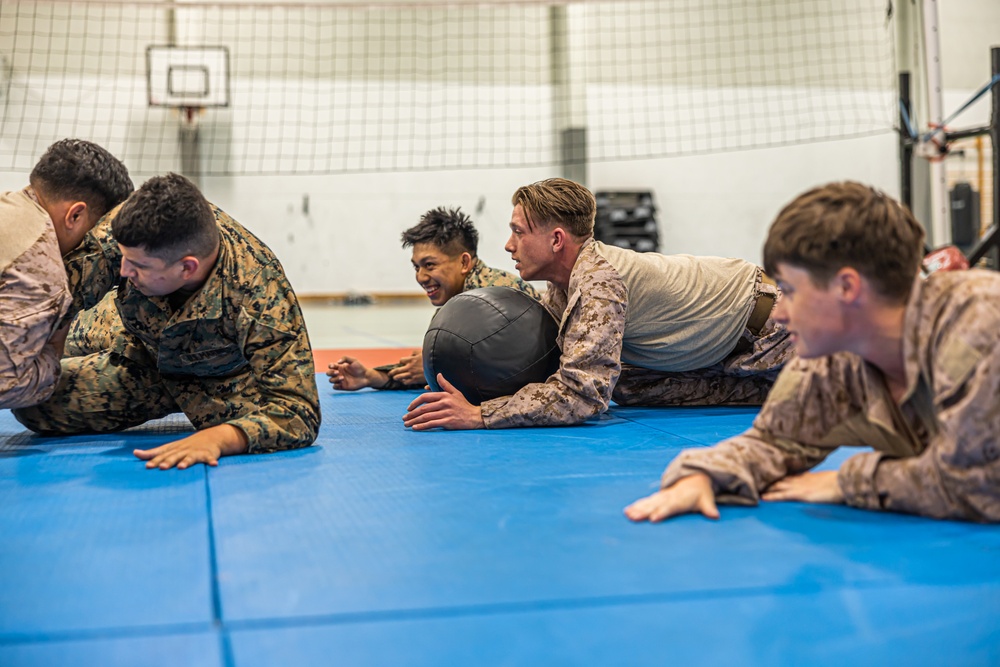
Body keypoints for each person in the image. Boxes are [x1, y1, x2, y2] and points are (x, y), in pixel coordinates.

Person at [625, 181, 1000, 524]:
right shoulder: (837, 355)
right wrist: (703, 475)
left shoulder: (980, 326)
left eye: (789, 289)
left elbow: (981, 484)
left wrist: (848, 482)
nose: (782, 312)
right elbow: (774, 441)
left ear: (846, 287)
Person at [403, 177, 793, 430]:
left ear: (556, 240)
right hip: (726, 341)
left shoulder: (598, 282)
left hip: (779, 332)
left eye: (518, 232)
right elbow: (541, 358)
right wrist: (394, 376)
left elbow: (582, 395)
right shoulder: (563, 281)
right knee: (621, 381)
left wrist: (480, 415)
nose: (509, 245)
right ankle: (765, 390)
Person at [13, 173, 321, 471]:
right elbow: (65, 289)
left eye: (139, 266)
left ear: (187, 268)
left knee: (34, 408)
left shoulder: (260, 293)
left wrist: (221, 438)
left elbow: (299, 411)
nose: (123, 271)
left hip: (208, 384)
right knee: (30, 380)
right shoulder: (135, 227)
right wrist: (42, 349)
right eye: (124, 258)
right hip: (129, 327)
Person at [328, 206, 539, 391]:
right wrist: (372, 377)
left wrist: (439, 371)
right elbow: (425, 366)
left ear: (464, 263)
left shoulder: (498, 298)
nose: (420, 277)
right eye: (416, 267)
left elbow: (520, 368)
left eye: (430, 265)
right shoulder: (456, 306)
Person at [0, 139, 132, 409]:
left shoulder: (10, 206)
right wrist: (53, 349)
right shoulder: (40, 265)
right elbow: (5, 386)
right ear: (75, 215)